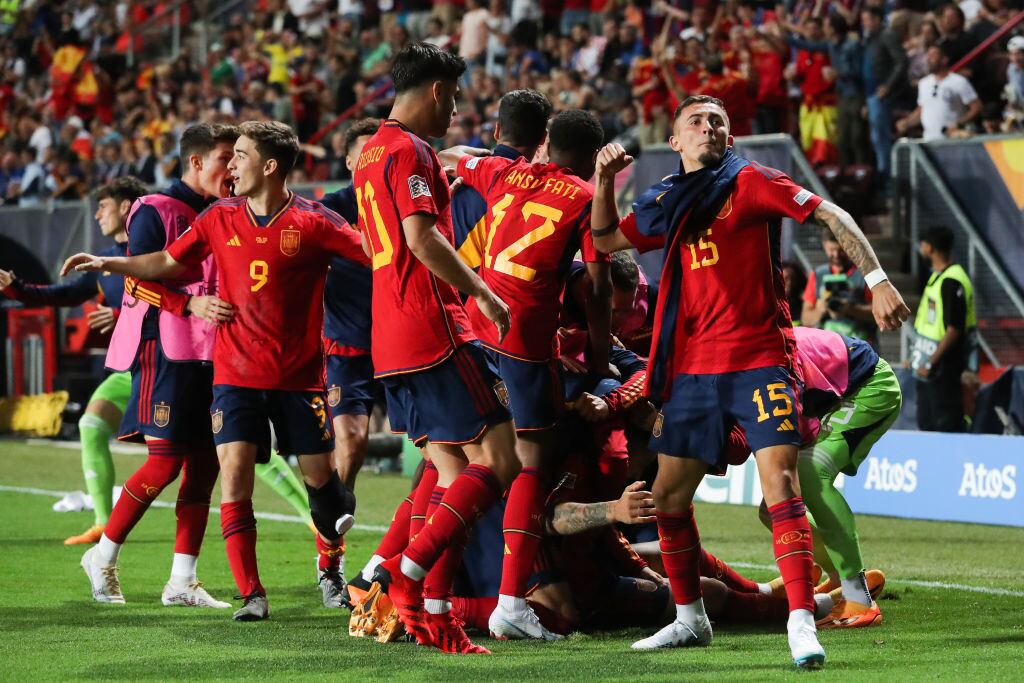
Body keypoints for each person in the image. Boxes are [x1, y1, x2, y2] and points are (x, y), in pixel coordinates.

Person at [589, 95, 910, 667]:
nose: (708, 127)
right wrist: (603, 180)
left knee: (783, 483)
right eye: (695, 121)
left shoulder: (753, 182)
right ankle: (690, 619)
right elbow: (607, 239)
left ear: (729, 139)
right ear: (675, 141)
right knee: (667, 496)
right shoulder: (666, 199)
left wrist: (877, 278)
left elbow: (833, 215)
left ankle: (801, 620)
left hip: (761, 360)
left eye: (718, 121)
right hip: (694, 369)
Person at [62, 121, 367, 621]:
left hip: (298, 377)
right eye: (228, 155)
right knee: (232, 479)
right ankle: (252, 595)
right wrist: (109, 264)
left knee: (324, 490)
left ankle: (330, 565)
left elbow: (379, 255)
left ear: (268, 166)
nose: (232, 165)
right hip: (233, 374)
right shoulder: (217, 218)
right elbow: (165, 261)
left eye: (240, 155)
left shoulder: (315, 222)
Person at [347, 42, 520, 655]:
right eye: (453, 99)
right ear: (439, 92)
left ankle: (434, 616)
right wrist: (484, 294)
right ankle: (405, 575)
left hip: (389, 336)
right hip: (433, 327)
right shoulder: (408, 150)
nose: (454, 113)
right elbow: (421, 238)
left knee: (450, 472)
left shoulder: (369, 152)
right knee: (502, 459)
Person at [440, 100, 611, 641]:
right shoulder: (585, 196)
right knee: (532, 465)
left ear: (544, 146)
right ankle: (510, 601)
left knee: (458, 456)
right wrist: (601, 357)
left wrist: (466, 154)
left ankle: (407, 579)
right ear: (587, 158)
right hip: (524, 342)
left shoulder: (501, 170)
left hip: (474, 329)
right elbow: (599, 286)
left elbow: (451, 155)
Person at [71, 124, 240, 610]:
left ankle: (181, 580)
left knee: (206, 464)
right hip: (161, 347)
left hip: (210, 351)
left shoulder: (222, 214)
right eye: (223, 158)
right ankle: (102, 557)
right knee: (165, 462)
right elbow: (135, 284)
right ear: (195, 162)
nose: (230, 168)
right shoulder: (154, 210)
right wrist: (190, 307)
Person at [0, 177, 147, 545]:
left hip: (169, 363)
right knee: (91, 425)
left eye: (103, 205)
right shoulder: (104, 265)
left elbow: (180, 297)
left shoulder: (153, 251)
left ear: (127, 206)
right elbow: (63, 295)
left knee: (232, 444)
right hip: (131, 368)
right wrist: (16, 287)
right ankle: (104, 523)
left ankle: (312, 516)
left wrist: (124, 316)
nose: (96, 213)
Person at [789, 326, 901, 629]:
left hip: (871, 386)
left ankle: (859, 598)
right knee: (776, 504)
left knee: (809, 472)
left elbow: (800, 422)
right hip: (835, 396)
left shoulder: (773, 355)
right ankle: (840, 579)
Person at [317, 117, 381, 593]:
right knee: (352, 445)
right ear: (347, 161)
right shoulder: (332, 211)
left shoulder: (405, 203)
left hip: (405, 343)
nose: (372, 162)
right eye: (363, 154)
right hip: (348, 347)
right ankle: (330, 564)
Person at [911, 226, 976, 433]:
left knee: (946, 424)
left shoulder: (952, 280)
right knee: (928, 423)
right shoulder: (937, 277)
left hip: (943, 368)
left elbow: (954, 329)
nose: (920, 250)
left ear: (929, 248)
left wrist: (930, 362)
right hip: (929, 365)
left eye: (922, 246)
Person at [801, 227, 877, 346]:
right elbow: (806, 319)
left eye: (841, 250)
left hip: (860, 348)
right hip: (827, 349)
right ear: (824, 246)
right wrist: (821, 309)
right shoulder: (817, 275)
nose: (836, 255)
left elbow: (879, 313)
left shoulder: (865, 275)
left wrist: (851, 309)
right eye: (832, 250)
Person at [861, 5, 907, 191]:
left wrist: (888, 85)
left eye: (868, 20)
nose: (865, 24)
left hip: (884, 96)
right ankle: (883, 178)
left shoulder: (887, 35)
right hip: (872, 95)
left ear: (878, 19)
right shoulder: (870, 39)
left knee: (881, 139)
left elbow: (901, 61)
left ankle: (889, 181)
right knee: (876, 139)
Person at [896, 43, 981, 141]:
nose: (928, 60)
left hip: (953, 140)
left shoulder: (958, 81)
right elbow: (921, 110)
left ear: (944, 59)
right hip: (929, 140)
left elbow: (976, 107)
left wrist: (958, 124)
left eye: (932, 56)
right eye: (928, 56)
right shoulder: (924, 83)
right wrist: (907, 122)